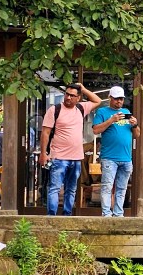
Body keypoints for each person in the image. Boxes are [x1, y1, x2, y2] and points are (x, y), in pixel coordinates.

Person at [37, 79, 99, 219]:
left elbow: (97, 101)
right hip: (58, 156)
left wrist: (83, 89)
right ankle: (51, 217)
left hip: (76, 157)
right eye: (67, 94)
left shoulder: (81, 108)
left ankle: (66, 216)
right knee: (54, 188)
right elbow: (45, 133)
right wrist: (43, 153)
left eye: (72, 95)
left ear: (78, 98)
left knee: (71, 190)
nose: (68, 97)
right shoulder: (55, 109)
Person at [90, 86, 137, 218]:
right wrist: (111, 120)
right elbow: (95, 130)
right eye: (116, 99)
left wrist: (135, 125)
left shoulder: (126, 111)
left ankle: (118, 213)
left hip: (126, 158)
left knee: (122, 188)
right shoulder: (102, 112)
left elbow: (137, 135)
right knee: (107, 186)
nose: (119, 101)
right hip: (109, 157)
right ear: (110, 98)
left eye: (121, 99)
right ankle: (106, 214)